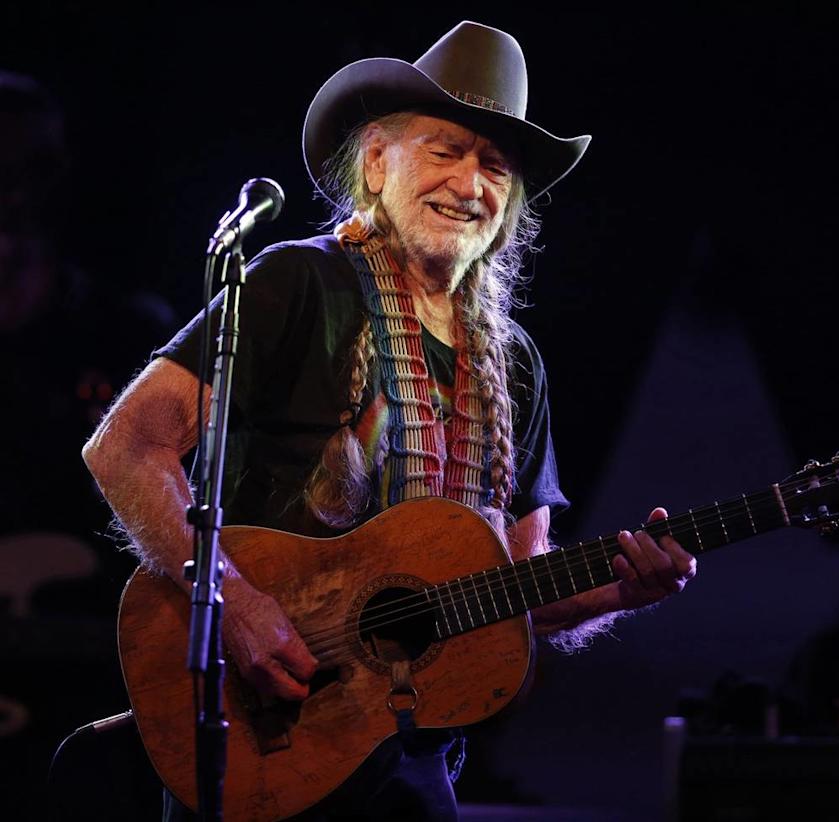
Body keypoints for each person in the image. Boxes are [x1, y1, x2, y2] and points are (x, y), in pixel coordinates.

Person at [81, 21, 696, 820]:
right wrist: (233, 605)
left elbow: (515, 589)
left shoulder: (514, 363)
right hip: (259, 722)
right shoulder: (297, 282)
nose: (470, 184)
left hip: (410, 752)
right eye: (446, 151)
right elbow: (125, 446)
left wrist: (619, 590)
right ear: (376, 162)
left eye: (495, 166)